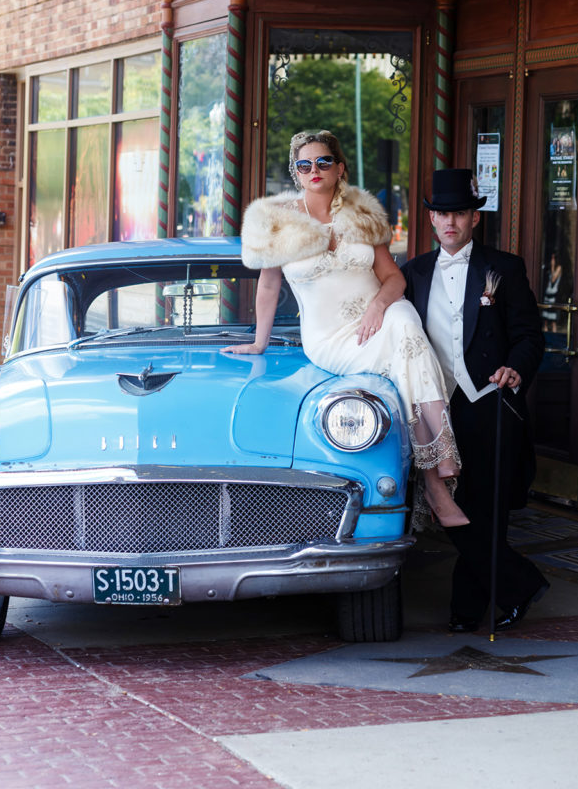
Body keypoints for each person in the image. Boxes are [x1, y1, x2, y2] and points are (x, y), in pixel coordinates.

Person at [222, 130, 468, 528]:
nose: (313, 170)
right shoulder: (276, 220)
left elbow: (393, 279)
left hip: (381, 316)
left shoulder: (363, 213)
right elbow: (268, 286)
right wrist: (258, 341)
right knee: (404, 342)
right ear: (296, 173)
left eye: (322, 162)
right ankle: (436, 478)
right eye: (304, 165)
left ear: (339, 168)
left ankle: (434, 471)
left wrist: (378, 307)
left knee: (405, 322)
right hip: (331, 337)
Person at [402, 168, 548, 632]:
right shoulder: (413, 273)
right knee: (448, 508)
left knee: (485, 508)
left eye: (460, 213)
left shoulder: (503, 268)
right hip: (435, 408)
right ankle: (519, 583)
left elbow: (529, 336)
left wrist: (516, 368)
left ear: (474, 218)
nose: (451, 222)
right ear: (431, 219)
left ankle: (467, 610)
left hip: (489, 401)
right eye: (442, 213)